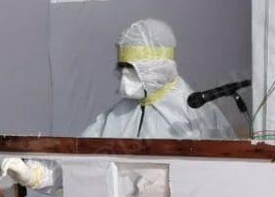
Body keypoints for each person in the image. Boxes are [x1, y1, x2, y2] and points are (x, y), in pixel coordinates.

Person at [81, 18, 236, 139]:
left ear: (158, 66)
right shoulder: (116, 115)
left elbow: (219, 167)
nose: (125, 76)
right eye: (122, 68)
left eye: (133, 69)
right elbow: (82, 149)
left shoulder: (195, 112)